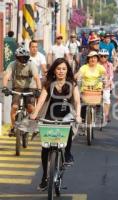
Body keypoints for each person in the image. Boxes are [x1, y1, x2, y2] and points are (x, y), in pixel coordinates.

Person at [30, 58, 81, 190]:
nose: (61, 71)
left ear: (67, 70)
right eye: (58, 69)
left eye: (64, 69)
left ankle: (68, 154)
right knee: (45, 148)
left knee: (68, 125)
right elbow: (41, 100)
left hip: (66, 115)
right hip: (50, 116)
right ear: (54, 70)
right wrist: (35, 113)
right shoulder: (49, 84)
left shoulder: (72, 83)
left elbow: (77, 102)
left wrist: (79, 115)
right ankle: (45, 177)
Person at [2, 46, 42, 136]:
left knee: (30, 107)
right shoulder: (13, 64)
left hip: (30, 87)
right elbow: (7, 76)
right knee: (15, 107)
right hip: (18, 87)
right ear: (17, 58)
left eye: (25, 57)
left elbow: (36, 78)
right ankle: (12, 127)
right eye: (21, 57)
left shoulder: (31, 65)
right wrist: (4, 87)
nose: (24, 59)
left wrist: (38, 89)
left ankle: (35, 125)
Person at [75, 51, 106, 122]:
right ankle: (82, 118)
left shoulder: (100, 67)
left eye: (95, 58)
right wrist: (77, 77)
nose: (93, 59)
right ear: (88, 59)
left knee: (99, 102)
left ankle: (98, 112)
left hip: (97, 89)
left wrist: (105, 80)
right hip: (86, 89)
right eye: (91, 58)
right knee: (82, 103)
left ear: (97, 59)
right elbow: (79, 74)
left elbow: (105, 75)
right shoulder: (84, 67)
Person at [98, 49, 114, 123]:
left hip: (106, 84)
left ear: (107, 57)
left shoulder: (110, 65)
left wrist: (107, 84)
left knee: (106, 98)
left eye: (105, 56)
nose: (103, 58)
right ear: (99, 56)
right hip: (96, 84)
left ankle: (106, 114)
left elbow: (111, 76)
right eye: (101, 56)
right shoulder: (96, 64)